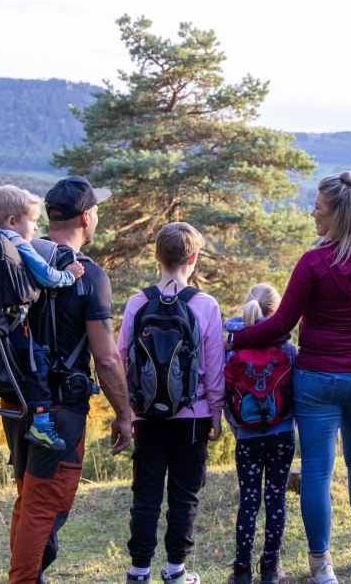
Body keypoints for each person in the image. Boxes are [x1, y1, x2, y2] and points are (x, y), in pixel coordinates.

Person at [230, 171, 351, 584]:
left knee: (317, 469)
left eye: (319, 206)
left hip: (317, 377)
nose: (312, 211)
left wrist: (237, 338)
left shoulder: (314, 262)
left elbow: (282, 322)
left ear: (337, 215)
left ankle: (321, 565)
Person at [2, 175, 133, 584]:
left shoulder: (21, 256)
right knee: (45, 504)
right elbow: (107, 358)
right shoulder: (89, 276)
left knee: (30, 498)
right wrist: (125, 413)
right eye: (97, 212)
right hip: (59, 409)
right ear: (86, 217)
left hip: (15, 401)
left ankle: (29, 575)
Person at [116, 222, 225, 584]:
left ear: (156, 256)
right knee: (184, 493)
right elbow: (214, 366)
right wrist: (216, 413)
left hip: (147, 415)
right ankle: (176, 569)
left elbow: (121, 361)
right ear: (193, 258)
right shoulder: (205, 305)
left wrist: (128, 414)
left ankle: (139, 570)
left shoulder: (138, 303)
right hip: (192, 415)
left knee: (145, 492)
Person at [0, 185, 86, 450]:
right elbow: (47, 275)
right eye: (33, 221)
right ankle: (42, 424)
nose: (36, 229)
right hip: (9, 324)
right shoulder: (16, 243)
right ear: (13, 222)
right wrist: (70, 274)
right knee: (37, 365)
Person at [223, 284, 297, 584]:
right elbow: (296, 393)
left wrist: (237, 428)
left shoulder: (232, 349)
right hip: (282, 436)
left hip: (247, 438)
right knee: (276, 499)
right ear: (276, 312)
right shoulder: (287, 349)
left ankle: (241, 571)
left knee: (248, 502)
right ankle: (269, 568)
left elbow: (226, 397)